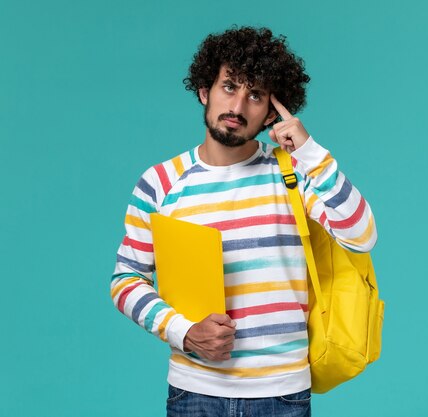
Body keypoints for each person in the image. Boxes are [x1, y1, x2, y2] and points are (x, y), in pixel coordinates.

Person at [111, 26, 377, 417]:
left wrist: (310, 152)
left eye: (255, 94)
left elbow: (361, 235)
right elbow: (125, 280)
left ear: (272, 110)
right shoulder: (160, 183)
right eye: (229, 86)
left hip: (283, 393)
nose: (238, 106)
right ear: (205, 90)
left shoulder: (293, 173)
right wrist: (183, 332)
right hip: (194, 392)